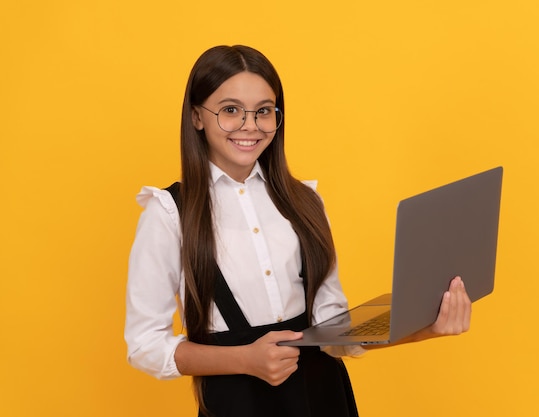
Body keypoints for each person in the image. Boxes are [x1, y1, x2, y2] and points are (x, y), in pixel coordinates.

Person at [124, 45, 472, 417]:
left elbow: (332, 332)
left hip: (323, 395)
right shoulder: (169, 213)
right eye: (230, 111)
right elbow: (145, 345)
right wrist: (245, 359)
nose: (250, 125)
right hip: (237, 404)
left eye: (264, 111)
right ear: (197, 116)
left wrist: (425, 327)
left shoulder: (304, 201)